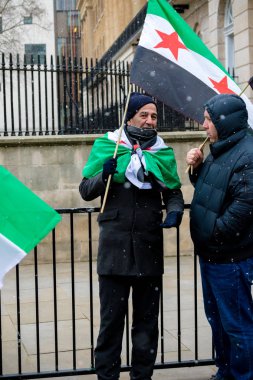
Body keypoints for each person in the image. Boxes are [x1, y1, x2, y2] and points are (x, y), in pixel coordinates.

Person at [79, 92, 184, 380]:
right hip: (114, 251)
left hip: (149, 249)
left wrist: (175, 212)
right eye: (144, 115)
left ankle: (142, 376)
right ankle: (107, 377)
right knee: (111, 324)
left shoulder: (162, 153)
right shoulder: (108, 147)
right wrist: (104, 174)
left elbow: (174, 191)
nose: (150, 121)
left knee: (147, 326)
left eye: (154, 116)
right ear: (130, 116)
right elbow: (86, 191)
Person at [186, 93, 253, 380]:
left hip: (229, 257)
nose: (203, 126)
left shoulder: (247, 154)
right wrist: (198, 168)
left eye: (208, 120)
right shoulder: (222, 148)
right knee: (219, 320)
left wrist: (212, 234)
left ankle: (243, 375)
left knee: (237, 324)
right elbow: (212, 191)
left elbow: (244, 207)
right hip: (212, 255)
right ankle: (226, 370)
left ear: (225, 122)